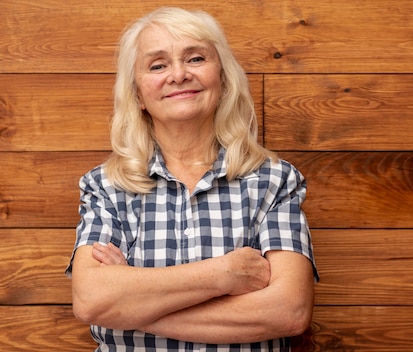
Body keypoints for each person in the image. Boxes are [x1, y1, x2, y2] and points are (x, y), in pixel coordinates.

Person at [65, 6, 318, 351]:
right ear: (137, 94)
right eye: (158, 65)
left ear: (223, 78)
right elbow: (92, 300)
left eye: (196, 58)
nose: (179, 74)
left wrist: (130, 306)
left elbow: (289, 311)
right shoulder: (106, 187)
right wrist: (225, 273)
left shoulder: (275, 182)